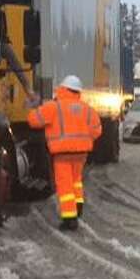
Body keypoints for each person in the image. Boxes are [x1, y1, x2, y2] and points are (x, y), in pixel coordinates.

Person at [27, 75, 102, 230]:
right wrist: (82, 139)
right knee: (76, 181)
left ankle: (70, 219)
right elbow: (97, 131)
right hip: (81, 153)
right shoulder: (87, 109)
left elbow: (33, 120)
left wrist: (33, 107)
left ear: (62, 89)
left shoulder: (54, 107)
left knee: (65, 185)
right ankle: (78, 208)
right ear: (78, 91)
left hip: (62, 154)